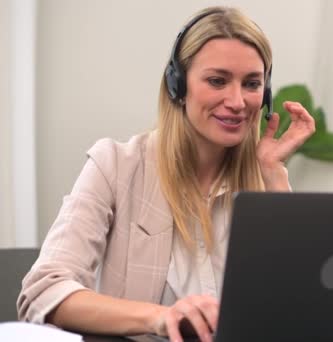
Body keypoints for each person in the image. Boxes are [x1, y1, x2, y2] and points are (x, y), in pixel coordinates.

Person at [17, 6, 315, 342]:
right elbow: (43, 292)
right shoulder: (115, 166)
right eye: (217, 80)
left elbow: (307, 309)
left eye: (251, 84)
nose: (237, 100)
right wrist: (161, 317)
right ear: (178, 85)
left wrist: (274, 176)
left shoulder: (263, 182)